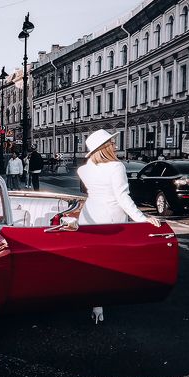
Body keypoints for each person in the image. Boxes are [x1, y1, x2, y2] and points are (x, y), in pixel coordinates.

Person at [78, 129, 161, 324]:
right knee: (108, 263)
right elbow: (122, 198)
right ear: (105, 148)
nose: (115, 146)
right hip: (110, 219)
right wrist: (142, 219)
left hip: (89, 217)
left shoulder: (84, 168)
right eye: (112, 143)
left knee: (92, 262)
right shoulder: (116, 167)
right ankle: (100, 302)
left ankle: (94, 303)